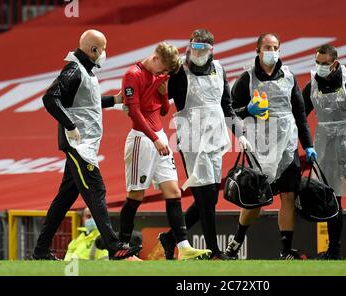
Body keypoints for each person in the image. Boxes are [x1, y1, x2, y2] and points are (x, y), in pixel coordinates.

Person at [32, 29, 141, 260]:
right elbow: (50, 97)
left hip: (84, 145)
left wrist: (115, 100)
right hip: (78, 146)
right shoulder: (73, 69)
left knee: (63, 200)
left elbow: (87, 104)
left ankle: (40, 251)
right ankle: (115, 247)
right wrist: (70, 126)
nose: (104, 53)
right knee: (96, 190)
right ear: (93, 50)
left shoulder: (85, 72)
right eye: (102, 49)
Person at [157, 29, 249, 260]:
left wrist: (241, 134)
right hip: (192, 142)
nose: (198, 52)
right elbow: (161, 101)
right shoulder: (179, 72)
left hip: (215, 139)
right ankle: (215, 252)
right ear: (189, 46)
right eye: (195, 47)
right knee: (206, 198)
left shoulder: (219, 69)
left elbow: (227, 107)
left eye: (203, 48)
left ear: (211, 50)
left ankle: (170, 238)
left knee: (208, 199)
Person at [225, 33, 317, 260]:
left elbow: (300, 114)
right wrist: (247, 111)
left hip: (287, 146)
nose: (272, 51)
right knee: (257, 199)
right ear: (258, 49)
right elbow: (229, 113)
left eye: (275, 47)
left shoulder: (288, 77)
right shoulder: (246, 79)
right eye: (267, 47)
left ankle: (286, 250)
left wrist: (308, 145)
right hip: (260, 148)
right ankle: (235, 243)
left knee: (288, 196)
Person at [118, 42, 212, 260]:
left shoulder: (156, 76)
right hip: (142, 139)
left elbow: (163, 110)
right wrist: (154, 139)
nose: (162, 73)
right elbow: (134, 111)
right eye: (162, 69)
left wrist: (162, 94)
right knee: (136, 195)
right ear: (156, 58)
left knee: (174, 192)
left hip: (158, 136)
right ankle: (122, 249)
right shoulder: (132, 75)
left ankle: (184, 247)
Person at [302, 44, 346, 259]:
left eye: (325, 63)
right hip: (325, 145)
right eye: (318, 63)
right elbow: (300, 113)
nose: (320, 67)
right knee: (331, 199)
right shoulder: (312, 85)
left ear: (335, 63)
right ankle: (334, 251)